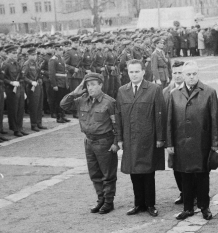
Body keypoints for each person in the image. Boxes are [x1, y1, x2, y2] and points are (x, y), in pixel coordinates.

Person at [167, 60, 218, 221]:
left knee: (203, 175)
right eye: (188, 74)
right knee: (185, 176)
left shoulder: (209, 92)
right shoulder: (174, 94)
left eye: (194, 74)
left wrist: (215, 142)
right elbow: (170, 120)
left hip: (201, 143)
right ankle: (188, 207)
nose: (191, 77)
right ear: (183, 75)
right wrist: (169, 143)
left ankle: (204, 206)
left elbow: (215, 119)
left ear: (198, 74)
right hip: (181, 143)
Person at [61, 73, 119, 214]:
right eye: (88, 85)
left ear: (100, 85)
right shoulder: (82, 100)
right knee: (94, 174)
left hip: (105, 141)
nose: (90, 88)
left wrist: (116, 143)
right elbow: (64, 105)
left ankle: (108, 202)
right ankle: (100, 200)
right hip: (89, 141)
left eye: (93, 84)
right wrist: (74, 93)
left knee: (108, 174)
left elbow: (117, 124)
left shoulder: (109, 102)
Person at [115, 59, 166, 217]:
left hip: (148, 138)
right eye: (131, 72)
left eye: (137, 71)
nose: (134, 74)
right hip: (130, 138)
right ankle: (139, 203)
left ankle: (150, 204)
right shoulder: (122, 90)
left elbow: (160, 115)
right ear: (127, 73)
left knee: (148, 172)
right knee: (134, 172)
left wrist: (160, 138)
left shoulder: (154, 89)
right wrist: (120, 138)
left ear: (144, 72)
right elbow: (118, 116)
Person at [163, 60, 185, 205]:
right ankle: (183, 192)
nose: (177, 76)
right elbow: (163, 116)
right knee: (176, 166)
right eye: (175, 73)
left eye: (180, 73)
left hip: (189, 134)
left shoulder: (193, 88)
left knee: (193, 166)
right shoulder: (166, 92)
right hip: (174, 136)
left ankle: (195, 193)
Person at [3, 47, 27, 137]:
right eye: (12, 53)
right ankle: (15, 129)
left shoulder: (17, 64)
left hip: (19, 88)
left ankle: (19, 127)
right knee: (13, 109)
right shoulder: (6, 64)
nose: (14, 55)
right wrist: (11, 82)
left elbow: (21, 76)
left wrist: (23, 90)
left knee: (20, 109)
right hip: (11, 89)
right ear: (8, 54)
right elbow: (3, 78)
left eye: (15, 53)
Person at [22, 48, 44, 132]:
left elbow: (38, 73)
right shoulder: (26, 64)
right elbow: (23, 76)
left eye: (35, 55)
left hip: (38, 86)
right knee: (33, 106)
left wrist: (39, 78)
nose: (35, 56)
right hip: (31, 87)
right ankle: (34, 124)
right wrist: (31, 82)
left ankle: (39, 123)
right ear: (29, 55)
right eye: (33, 55)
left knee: (39, 105)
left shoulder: (36, 63)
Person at [49, 44, 70, 123]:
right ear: (56, 50)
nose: (61, 51)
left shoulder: (62, 59)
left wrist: (67, 83)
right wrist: (54, 85)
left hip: (64, 83)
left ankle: (62, 115)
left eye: (62, 50)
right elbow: (51, 74)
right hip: (58, 83)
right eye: (60, 50)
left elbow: (65, 72)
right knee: (58, 101)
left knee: (63, 100)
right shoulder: (53, 59)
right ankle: (58, 117)